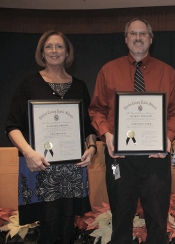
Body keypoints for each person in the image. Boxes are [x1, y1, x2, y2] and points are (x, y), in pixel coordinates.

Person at [88, 18, 175, 243]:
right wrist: (107, 134)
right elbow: (96, 109)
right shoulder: (108, 71)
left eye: (143, 34)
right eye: (133, 34)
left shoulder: (167, 73)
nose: (138, 38)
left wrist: (168, 138)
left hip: (155, 157)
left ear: (150, 39)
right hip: (118, 157)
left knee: (157, 222)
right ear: (126, 39)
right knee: (120, 221)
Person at [4, 30, 97, 244]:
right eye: (49, 46)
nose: (54, 51)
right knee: (47, 229)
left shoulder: (79, 86)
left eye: (59, 46)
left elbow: (88, 126)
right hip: (40, 166)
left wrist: (92, 148)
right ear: (42, 53)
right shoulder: (28, 84)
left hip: (72, 171)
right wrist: (27, 152)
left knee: (67, 229)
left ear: (67, 52)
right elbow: (11, 125)